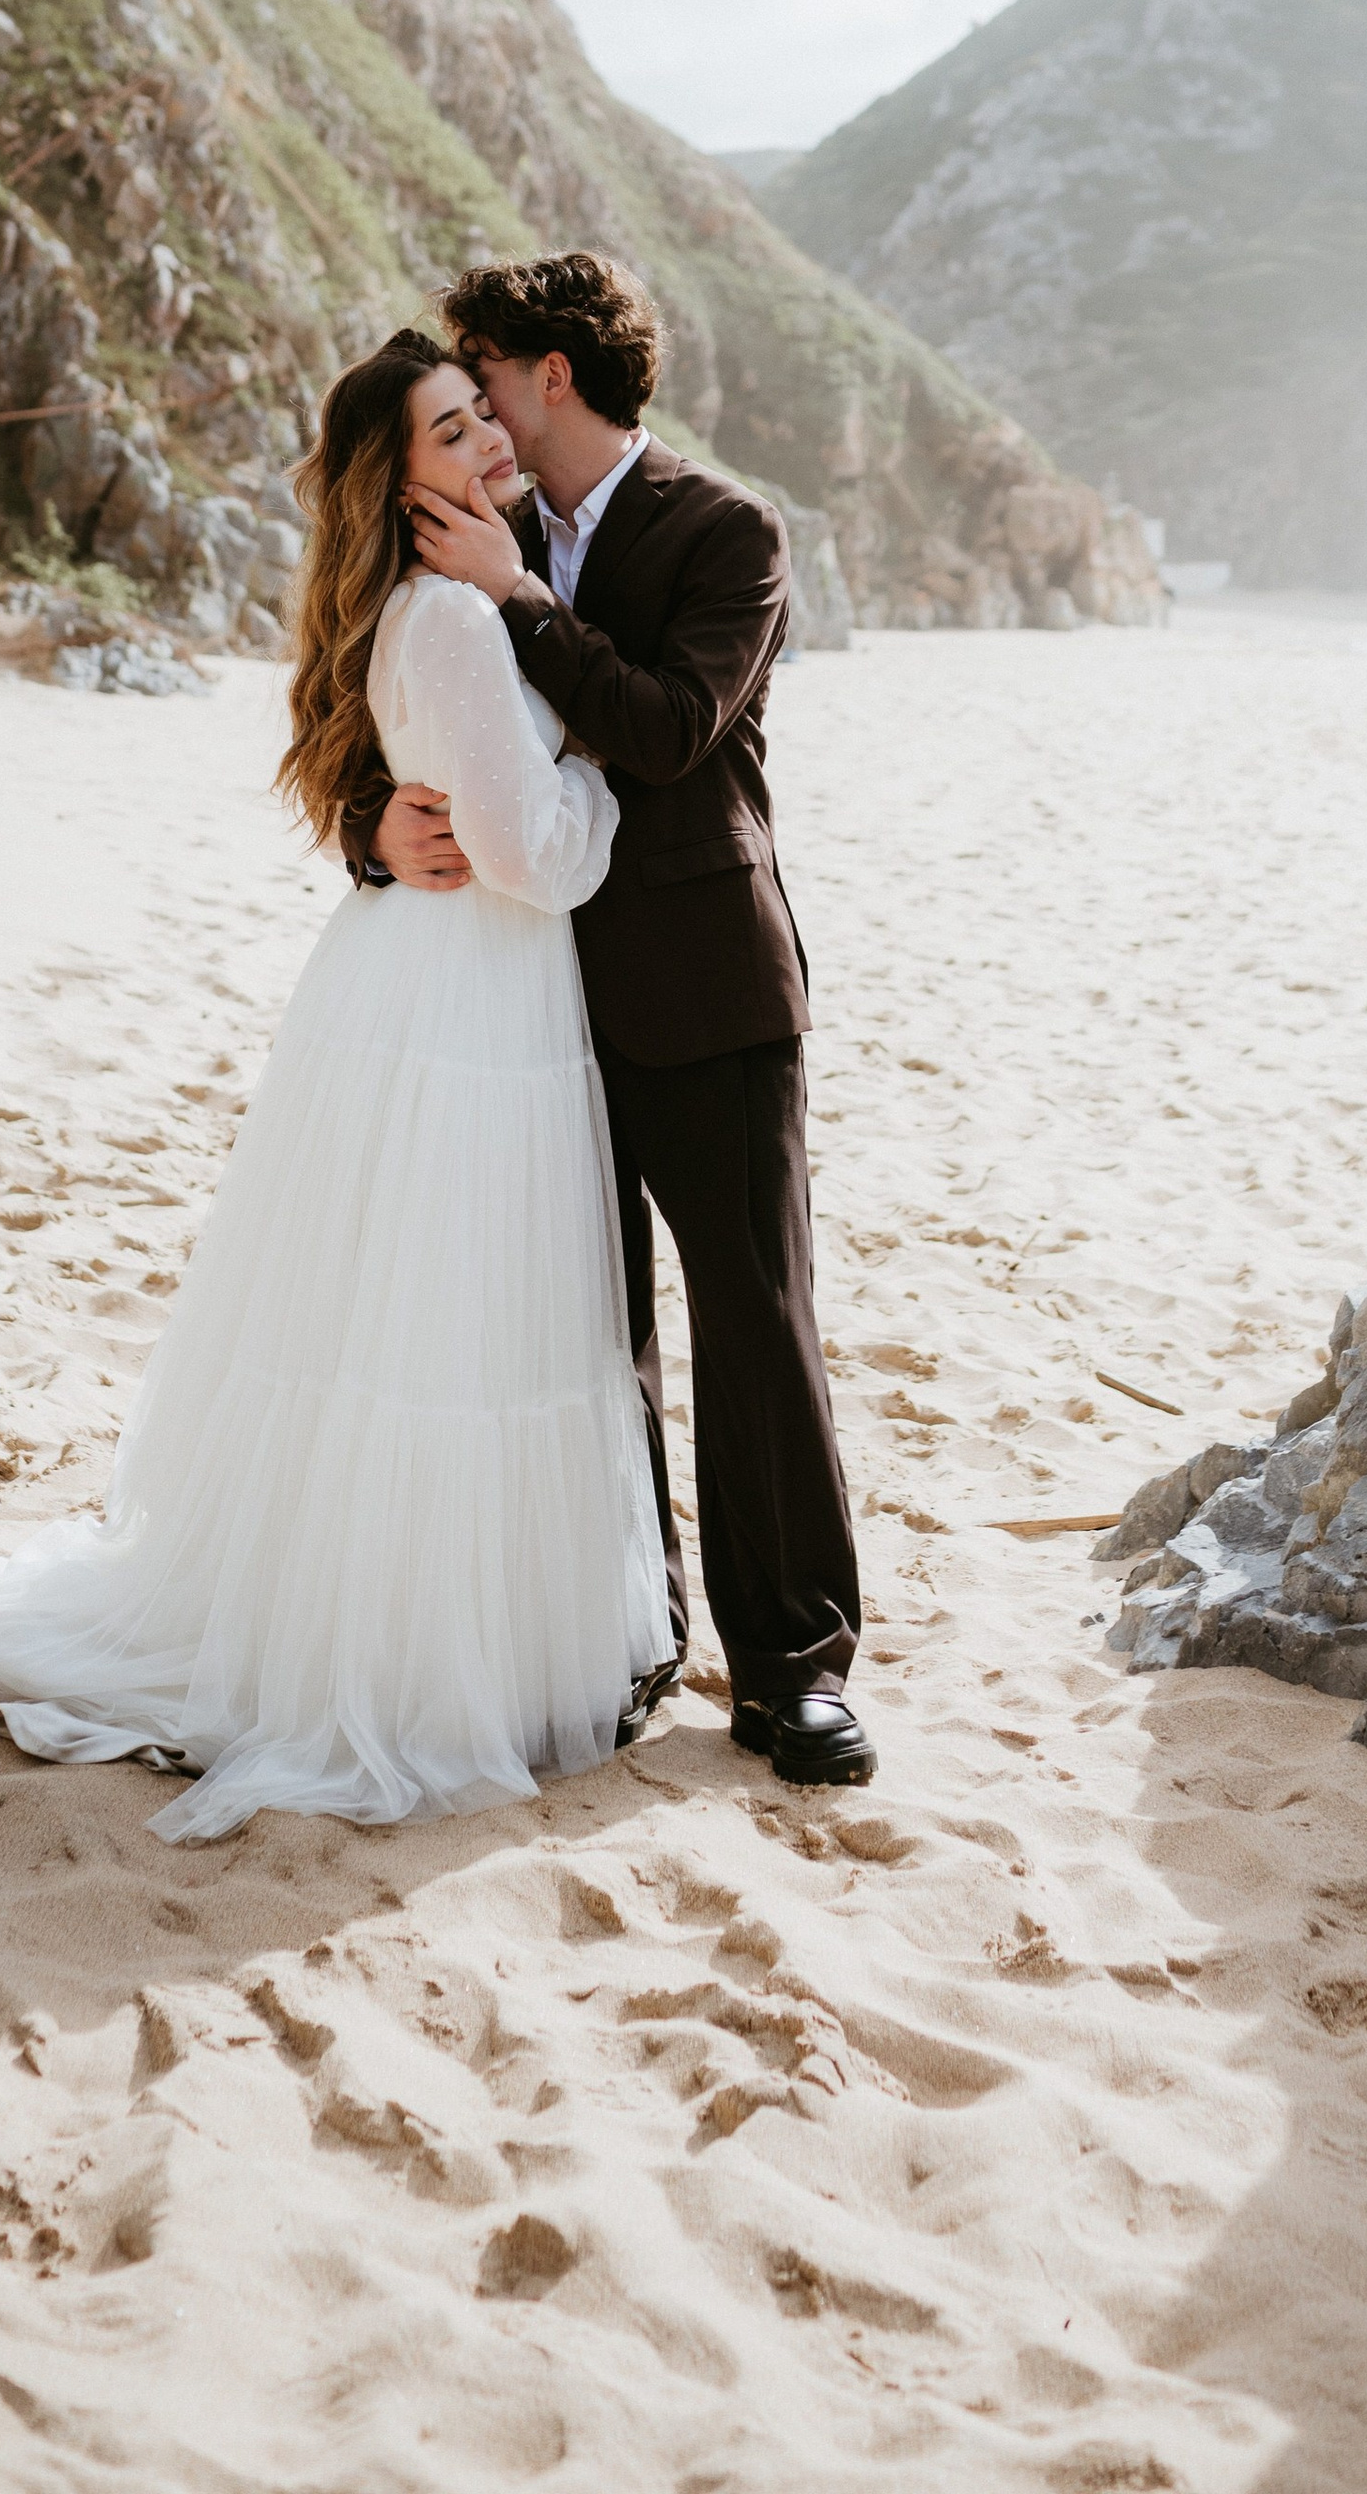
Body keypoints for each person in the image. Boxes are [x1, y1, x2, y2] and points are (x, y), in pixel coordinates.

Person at [0, 330, 671, 1838]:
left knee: (416, 1321)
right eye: (453, 435)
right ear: (408, 483)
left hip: (430, 981)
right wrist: (606, 779)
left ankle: (426, 1635)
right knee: (446, 1328)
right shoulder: (450, 618)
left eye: (482, 417)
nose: (489, 444)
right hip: (475, 992)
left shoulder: (441, 603)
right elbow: (534, 857)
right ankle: (415, 1664)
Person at [355, 249, 873, 1790]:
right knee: (591, 1341)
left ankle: (793, 1670)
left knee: (757, 1328)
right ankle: (623, 1634)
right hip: (534, 1009)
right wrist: (372, 830)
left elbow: (660, 732)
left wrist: (517, 602)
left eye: (488, 381)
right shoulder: (464, 539)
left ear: (549, 375)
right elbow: (383, 709)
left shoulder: (728, 530)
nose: (485, 421)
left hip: (712, 1000)